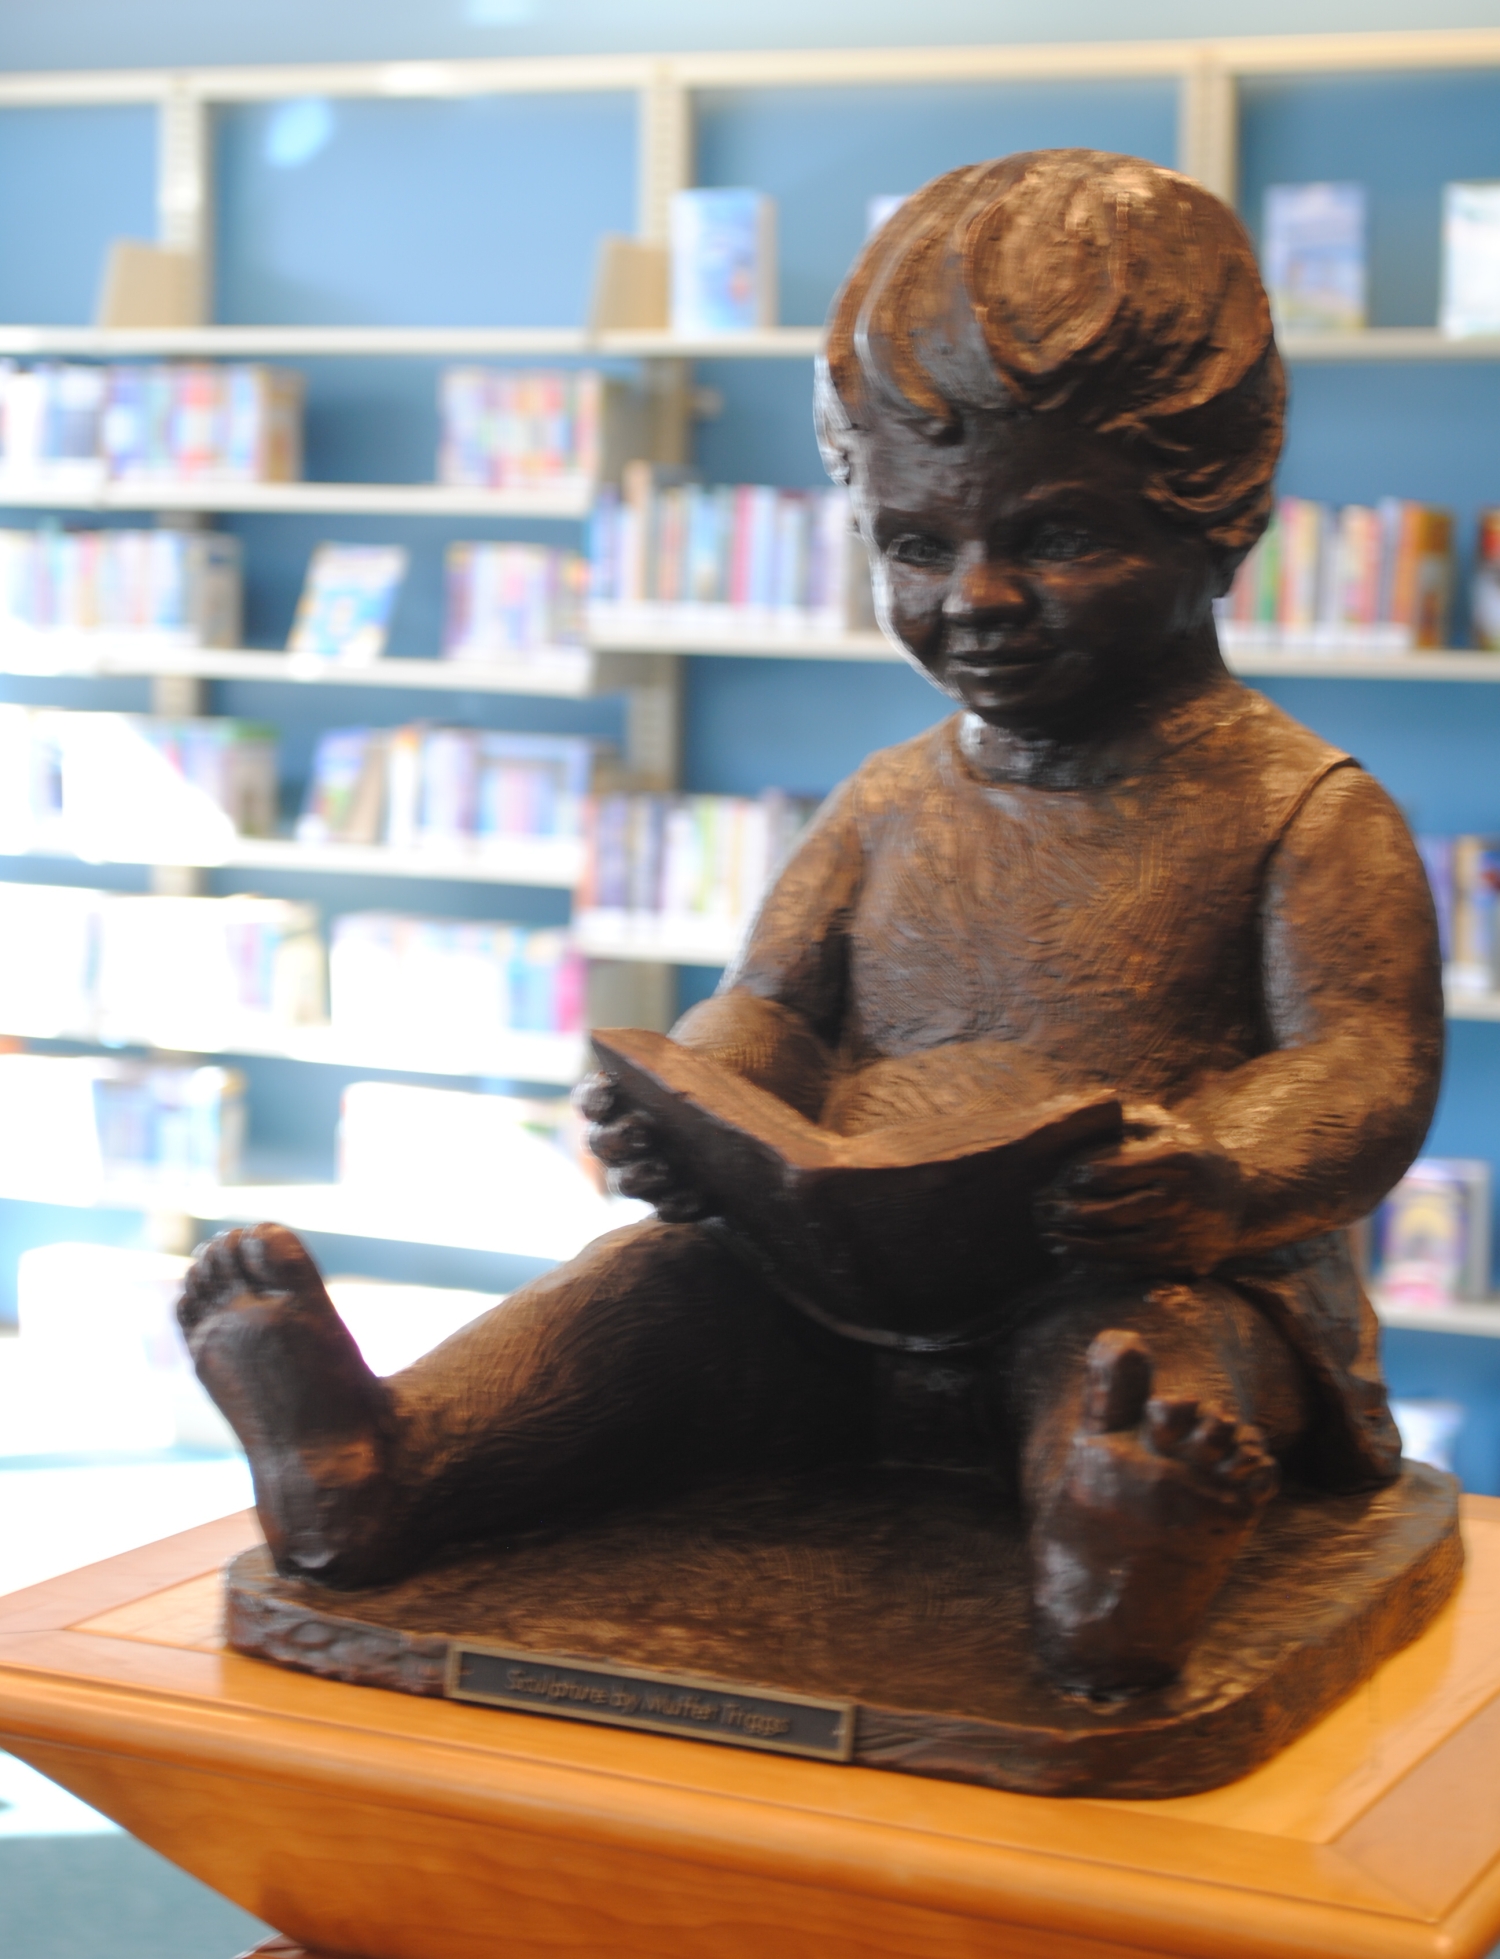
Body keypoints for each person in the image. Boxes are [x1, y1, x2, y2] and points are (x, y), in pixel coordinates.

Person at [181, 151, 1442, 1695]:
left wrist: (1221, 1170)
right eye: (915, 546)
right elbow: (769, 1005)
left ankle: (1112, 1551)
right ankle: (382, 1460)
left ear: (1216, 521)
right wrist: (699, 1113)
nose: (977, 596)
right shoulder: (888, 799)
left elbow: (1364, 1061)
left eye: (1057, 539)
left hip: (1122, 1272)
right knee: (642, 1297)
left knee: (1148, 1365)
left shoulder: (1301, 810)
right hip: (826, 1300)